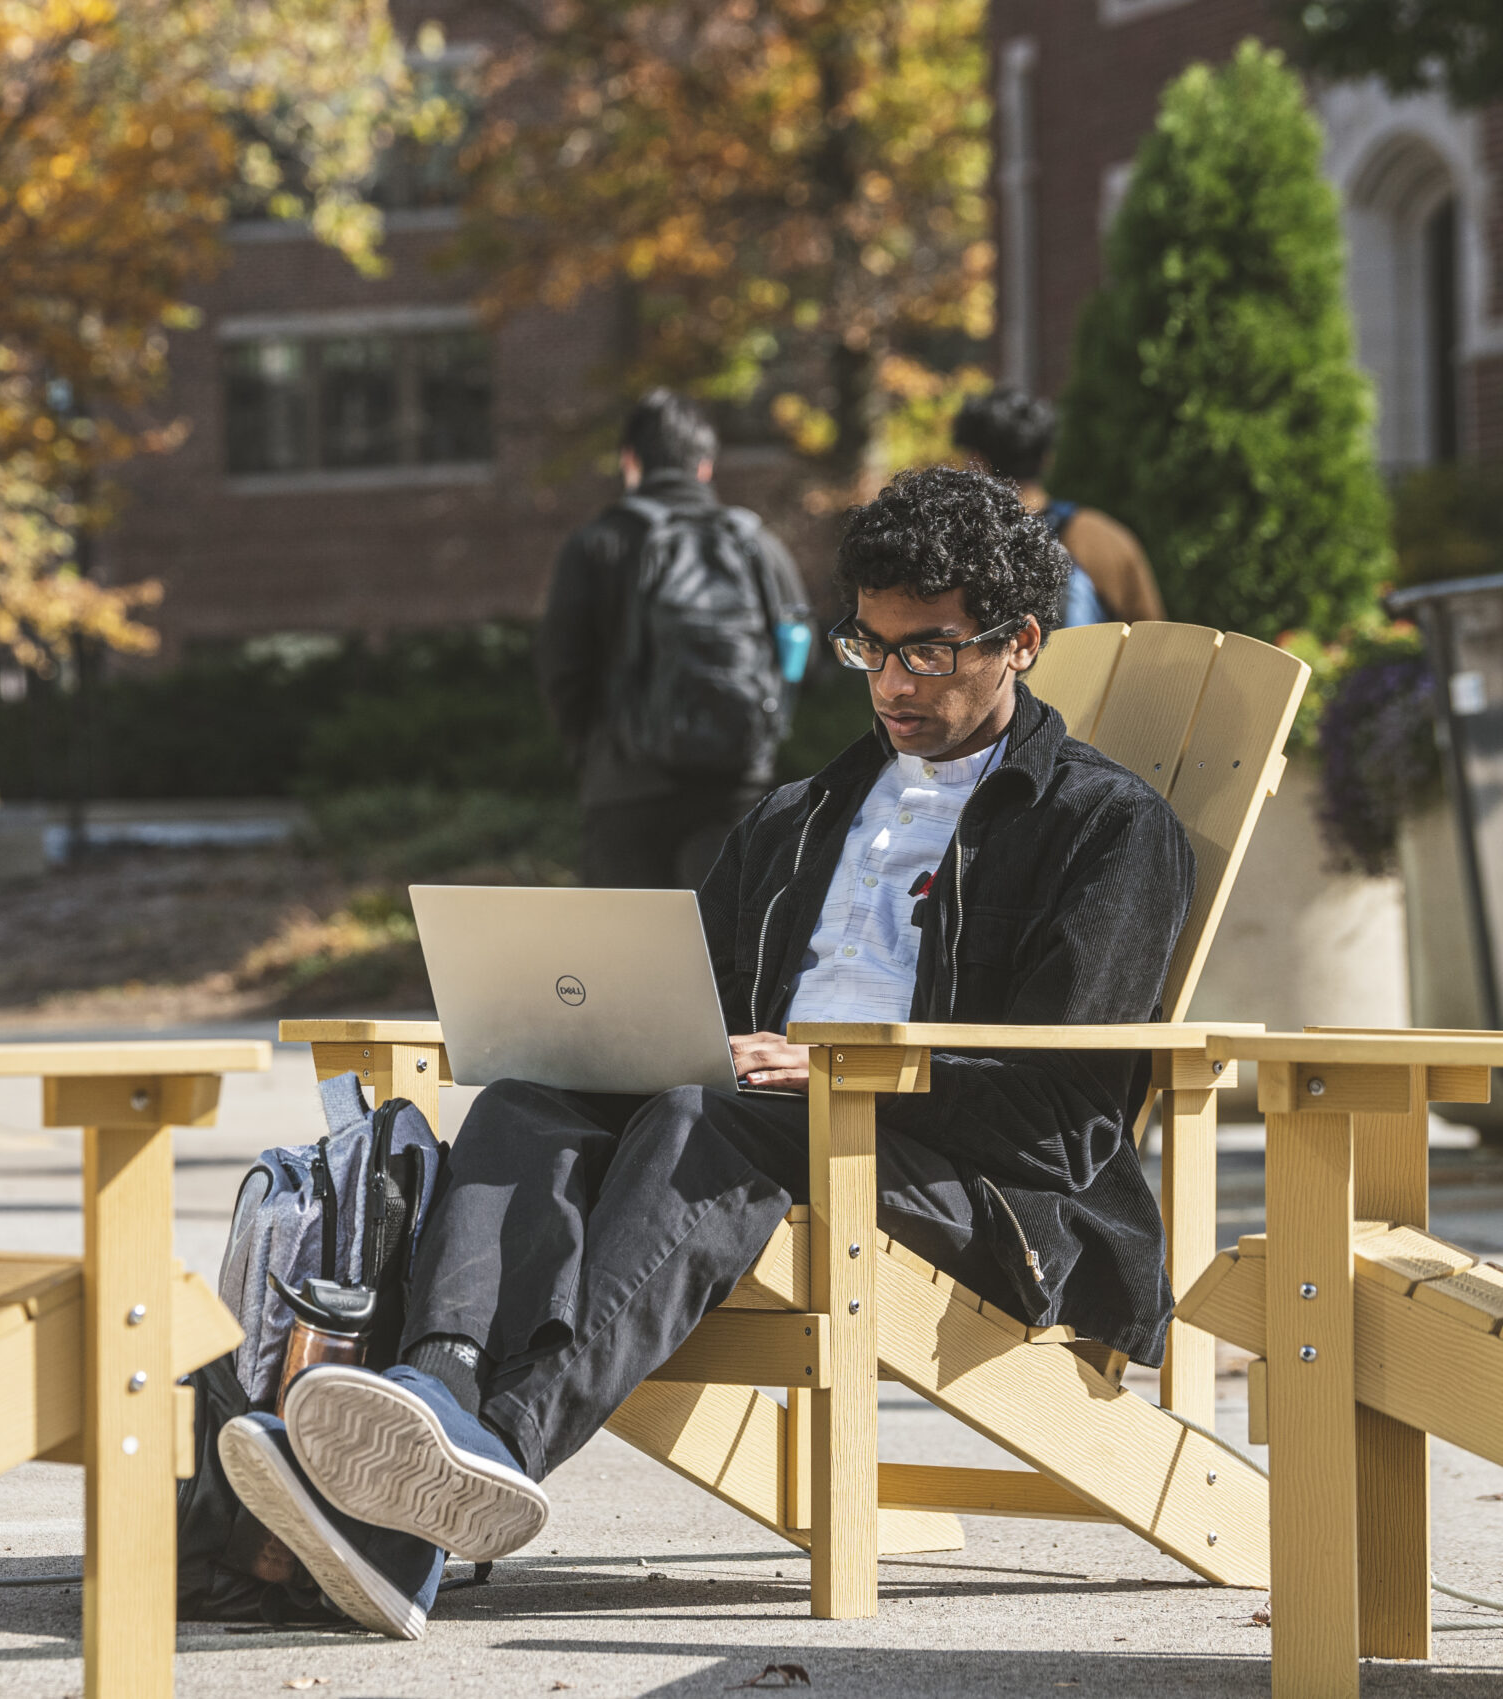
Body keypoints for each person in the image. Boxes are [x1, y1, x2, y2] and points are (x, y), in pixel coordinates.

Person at [219, 468, 1195, 1641]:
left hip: (971, 1189)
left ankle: (488, 1453)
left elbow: (1072, 1115)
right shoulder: (797, 818)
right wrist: (629, 1037)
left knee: (699, 1119)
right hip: (760, 1126)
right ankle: (433, 1396)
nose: (891, 683)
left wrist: (835, 1076)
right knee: (530, 1098)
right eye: (869, 649)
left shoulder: (1105, 826)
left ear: (1021, 641)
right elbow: (697, 1010)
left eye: (928, 654)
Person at [540, 389, 810, 891]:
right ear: (705, 466)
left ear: (630, 461)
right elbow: (800, 653)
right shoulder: (757, 545)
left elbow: (563, 669)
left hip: (627, 788)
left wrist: (592, 752)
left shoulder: (597, 545)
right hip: (737, 786)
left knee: (626, 963)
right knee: (728, 962)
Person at [953, 388, 1164, 626]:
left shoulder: (954, 546)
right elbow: (1152, 645)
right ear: (1047, 458)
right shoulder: (1106, 538)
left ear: (976, 461)